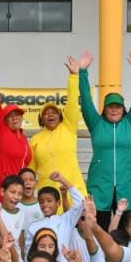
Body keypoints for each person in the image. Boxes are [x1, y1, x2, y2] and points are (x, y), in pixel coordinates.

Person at [78, 49, 131, 226]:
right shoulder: (96, 123)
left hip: (126, 181)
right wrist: (83, 72)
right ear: (104, 109)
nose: (114, 109)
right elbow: (85, 100)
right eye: (110, 107)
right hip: (100, 183)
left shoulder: (130, 122)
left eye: (118, 106)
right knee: (98, 226)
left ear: (123, 109)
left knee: (126, 227)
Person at [0, 58, 32, 219]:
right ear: (5, 119)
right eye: (10, 116)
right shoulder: (1, 130)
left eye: (18, 115)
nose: (15, 118)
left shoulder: (23, 138)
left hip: (16, 190)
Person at [30, 56, 88, 196]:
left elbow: (73, 102)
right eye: (46, 113)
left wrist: (74, 76)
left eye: (54, 113)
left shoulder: (68, 128)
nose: (50, 115)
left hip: (73, 190)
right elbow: (30, 171)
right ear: (41, 119)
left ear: (60, 117)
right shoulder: (35, 140)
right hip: (48, 196)